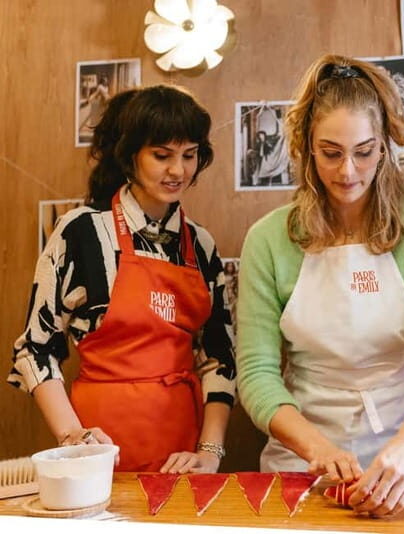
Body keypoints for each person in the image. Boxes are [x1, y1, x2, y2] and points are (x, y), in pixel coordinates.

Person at [237, 54, 404, 517]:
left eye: (364, 152)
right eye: (331, 152)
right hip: (300, 460)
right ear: (306, 146)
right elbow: (257, 373)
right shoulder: (268, 240)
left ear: (384, 146)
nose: (348, 171)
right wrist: (317, 450)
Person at [9, 85, 236, 473]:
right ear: (131, 157)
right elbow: (35, 349)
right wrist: (73, 439)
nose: (178, 170)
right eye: (161, 156)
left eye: (189, 155)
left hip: (183, 459)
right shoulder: (80, 233)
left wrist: (209, 454)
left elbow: (220, 359)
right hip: (96, 456)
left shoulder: (201, 244)